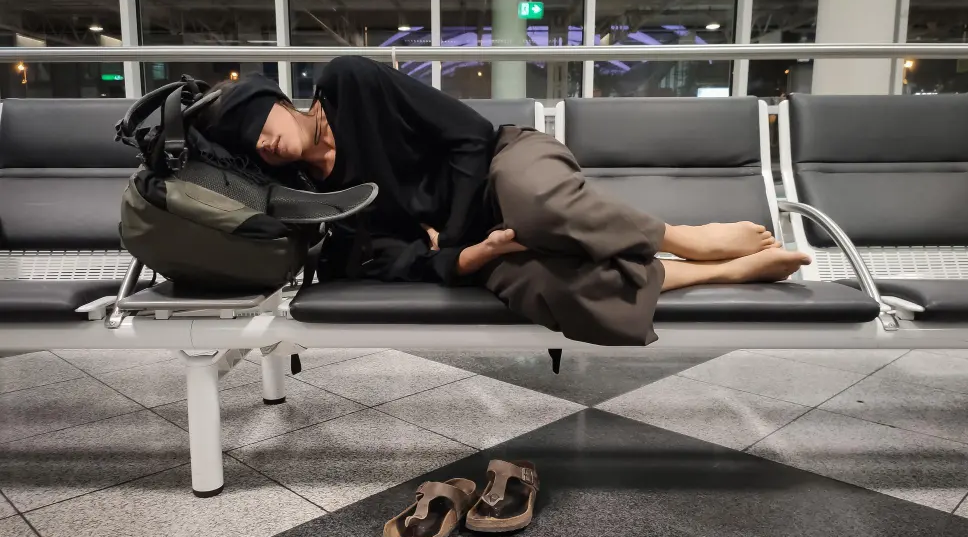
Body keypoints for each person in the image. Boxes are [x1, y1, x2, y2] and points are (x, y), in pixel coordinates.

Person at [193, 56, 810, 346]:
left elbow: (467, 136)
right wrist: (467, 257)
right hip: (482, 238)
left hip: (501, 165)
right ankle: (725, 270)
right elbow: (386, 257)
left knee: (539, 206)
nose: (266, 143)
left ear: (276, 100)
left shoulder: (351, 83)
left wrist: (454, 234)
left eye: (259, 124)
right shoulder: (318, 199)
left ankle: (682, 238)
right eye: (254, 149)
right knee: (549, 288)